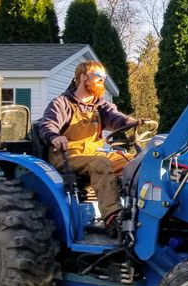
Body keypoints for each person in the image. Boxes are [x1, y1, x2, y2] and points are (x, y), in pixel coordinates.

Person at [36, 60, 139, 232]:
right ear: (83, 77)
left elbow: (114, 117)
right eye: (98, 76)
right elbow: (48, 125)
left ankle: (139, 212)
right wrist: (54, 137)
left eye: (104, 77)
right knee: (101, 163)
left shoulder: (100, 106)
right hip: (66, 155)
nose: (102, 80)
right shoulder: (61, 104)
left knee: (137, 161)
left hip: (93, 153)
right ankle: (113, 217)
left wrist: (128, 121)